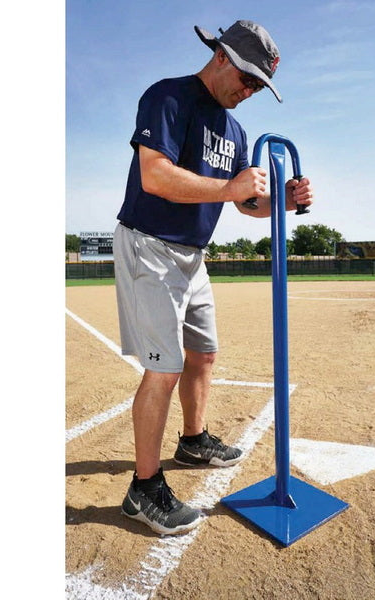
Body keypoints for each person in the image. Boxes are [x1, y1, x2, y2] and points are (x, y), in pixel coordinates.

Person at [113, 20, 314, 536]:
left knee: (203, 354)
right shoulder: (169, 97)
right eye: (246, 78)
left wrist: (281, 203)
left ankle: (193, 439)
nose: (248, 92)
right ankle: (144, 488)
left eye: (257, 87)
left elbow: (245, 202)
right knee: (165, 367)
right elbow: (155, 176)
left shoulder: (237, 130)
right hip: (150, 245)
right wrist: (231, 188)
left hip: (192, 255)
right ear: (221, 56)